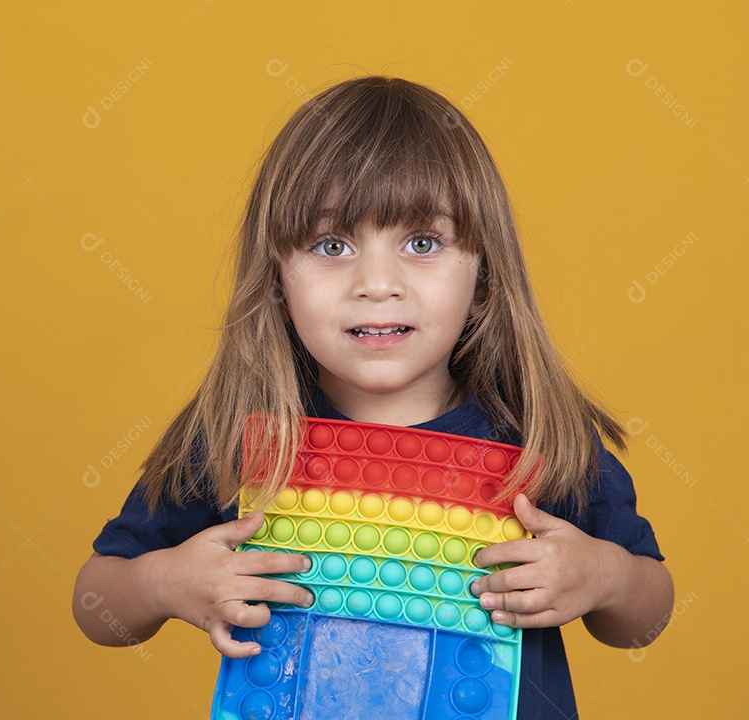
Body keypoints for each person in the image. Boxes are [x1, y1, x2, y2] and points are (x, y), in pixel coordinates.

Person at [72, 75, 673, 717]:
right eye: (333, 246)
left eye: (422, 244)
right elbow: (95, 604)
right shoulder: (233, 435)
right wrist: (163, 583)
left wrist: (603, 577)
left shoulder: (537, 438)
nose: (377, 283)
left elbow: (645, 614)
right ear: (275, 275)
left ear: (483, 278)